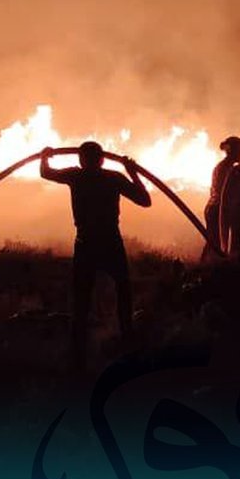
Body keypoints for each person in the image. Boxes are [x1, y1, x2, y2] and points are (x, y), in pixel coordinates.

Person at [40, 141, 151, 369]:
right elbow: (145, 200)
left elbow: (46, 173)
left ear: (81, 160)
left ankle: (78, 353)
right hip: (110, 242)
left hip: (86, 243)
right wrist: (132, 172)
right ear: (102, 160)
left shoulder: (76, 176)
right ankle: (126, 338)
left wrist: (45, 157)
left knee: (82, 298)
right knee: (123, 290)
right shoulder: (113, 178)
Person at [201, 135, 240, 262]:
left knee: (214, 242)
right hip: (217, 209)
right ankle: (204, 267)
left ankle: (205, 265)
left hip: (216, 208)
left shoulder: (227, 167)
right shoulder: (225, 168)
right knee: (214, 243)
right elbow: (223, 192)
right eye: (239, 150)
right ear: (231, 151)